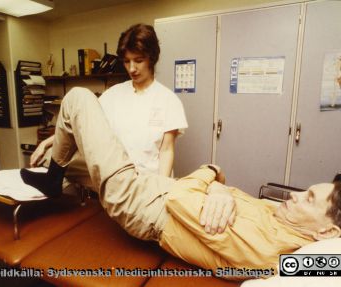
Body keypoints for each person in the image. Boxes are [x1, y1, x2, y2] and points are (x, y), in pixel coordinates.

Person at [21, 88, 341, 275]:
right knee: (76, 153)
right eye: (306, 192)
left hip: (146, 207)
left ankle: (53, 175)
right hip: (154, 189)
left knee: (77, 98)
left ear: (328, 232)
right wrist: (216, 183)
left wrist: (211, 175)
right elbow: (214, 184)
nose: (297, 196)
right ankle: (56, 166)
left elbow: (180, 198)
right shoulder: (277, 218)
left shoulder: (268, 246)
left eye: (310, 199)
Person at [31, 23, 187, 180]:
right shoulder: (113, 94)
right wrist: (47, 143)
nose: (132, 68)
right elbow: (80, 122)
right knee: (51, 157)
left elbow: (167, 150)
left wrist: (160, 189)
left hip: (147, 183)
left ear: (152, 59)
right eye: (126, 61)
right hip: (115, 181)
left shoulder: (168, 100)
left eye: (138, 60)